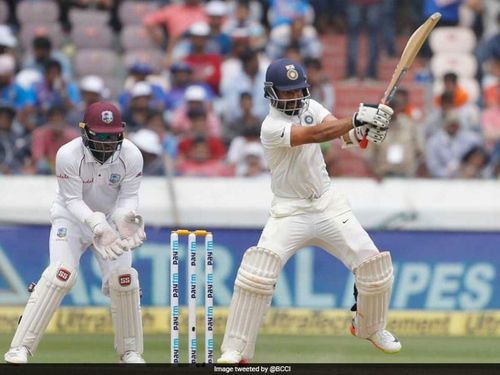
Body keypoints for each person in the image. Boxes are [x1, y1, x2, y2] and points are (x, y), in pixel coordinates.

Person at [217, 58, 401, 364]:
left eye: (297, 91)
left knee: (374, 268)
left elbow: (336, 132)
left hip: (327, 204)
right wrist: (356, 118)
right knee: (257, 274)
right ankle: (236, 349)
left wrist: (363, 128)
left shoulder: (311, 107)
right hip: (289, 211)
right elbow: (314, 135)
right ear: (271, 93)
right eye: (285, 93)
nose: (292, 98)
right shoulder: (271, 127)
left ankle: (370, 327)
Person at [4, 102, 147, 364]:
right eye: (100, 137)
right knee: (61, 276)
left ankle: (130, 352)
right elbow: (72, 200)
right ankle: (19, 349)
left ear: (122, 133)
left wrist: (124, 217)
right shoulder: (67, 155)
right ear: (85, 132)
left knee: (124, 279)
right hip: (72, 218)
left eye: (112, 137)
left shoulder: (132, 155)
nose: (106, 144)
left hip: (110, 221)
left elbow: (128, 197)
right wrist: (96, 224)